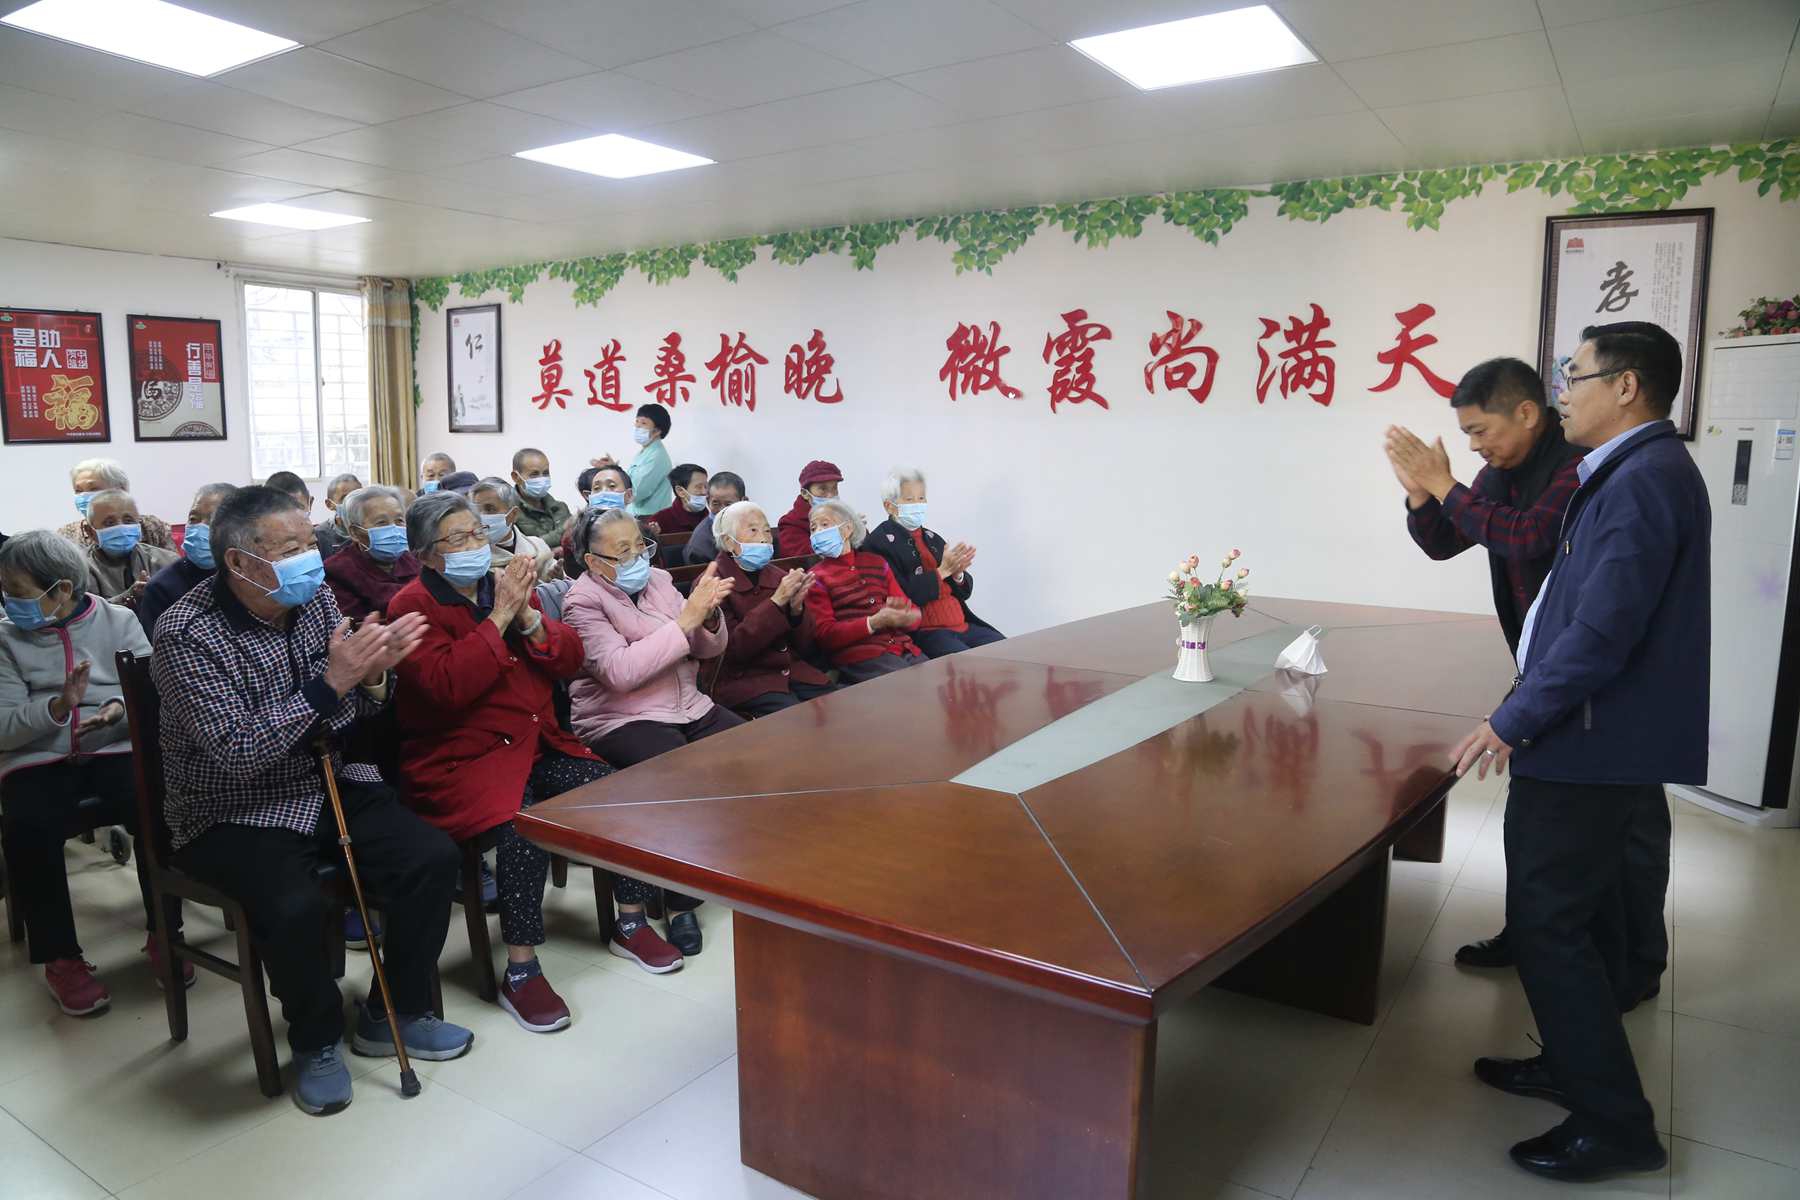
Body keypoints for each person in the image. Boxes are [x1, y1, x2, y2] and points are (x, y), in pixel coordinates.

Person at [1457, 322, 1705, 1182]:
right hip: (1594, 732)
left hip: (1589, 740)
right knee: (1582, 914)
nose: (1563, 390)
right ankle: (1571, 1065)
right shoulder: (1630, 470)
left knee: (1548, 924)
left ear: (1626, 386)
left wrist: (1514, 718)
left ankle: (1615, 1125)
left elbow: (1601, 633)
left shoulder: (1642, 480)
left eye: (1575, 375)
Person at [153, 486, 471, 1117]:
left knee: (431, 858)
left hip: (324, 773)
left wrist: (373, 675)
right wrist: (333, 684)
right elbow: (237, 751)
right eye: (291, 549)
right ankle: (316, 1040)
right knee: (293, 902)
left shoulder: (314, 597)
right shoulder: (186, 632)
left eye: (310, 543)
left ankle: (394, 1011)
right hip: (230, 805)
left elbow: (353, 711)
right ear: (240, 561)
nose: (311, 560)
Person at [387, 493, 677, 1025]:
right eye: (459, 538)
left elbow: (568, 660)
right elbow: (447, 687)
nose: (476, 545)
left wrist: (528, 619)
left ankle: (631, 921)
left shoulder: (502, 585)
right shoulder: (411, 605)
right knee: (523, 827)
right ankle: (521, 970)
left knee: (619, 790)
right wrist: (500, 616)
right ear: (426, 554)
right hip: (464, 762)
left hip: (537, 744)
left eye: (478, 533)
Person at [1387, 358, 1593, 976]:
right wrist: (1421, 493)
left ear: (1527, 413)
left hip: (1577, 668)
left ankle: (1601, 954)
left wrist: (1446, 485)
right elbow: (1445, 541)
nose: (1475, 445)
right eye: (1467, 434)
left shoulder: (1575, 466)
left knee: (1588, 828)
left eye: (1480, 430)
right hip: (1538, 662)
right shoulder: (1502, 471)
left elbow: (1528, 537)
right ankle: (1529, 934)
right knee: (1532, 820)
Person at [1, 532, 189, 1016]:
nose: (9, 601)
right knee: (28, 826)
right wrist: (58, 707)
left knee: (159, 809)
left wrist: (115, 710)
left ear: (62, 589)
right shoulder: (5, 638)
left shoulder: (118, 620)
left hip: (113, 746)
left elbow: (151, 691)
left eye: (18, 591)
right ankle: (61, 958)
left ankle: (165, 934)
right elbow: (4, 726)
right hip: (36, 757)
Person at [562, 506, 741, 956]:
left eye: (640, 545)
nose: (636, 557)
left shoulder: (659, 579)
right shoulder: (582, 603)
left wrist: (709, 617)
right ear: (593, 561)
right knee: (678, 776)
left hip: (686, 704)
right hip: (619, 717)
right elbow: (620, 673)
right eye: (621, 551)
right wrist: (686, 621)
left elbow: (707, 649)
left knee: (755, 750)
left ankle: (734, 862)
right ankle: (680, 904)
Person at [710, 500, 834, 717]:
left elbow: (806, 646)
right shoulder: (713, 584)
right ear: (729, 542)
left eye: (767, 531)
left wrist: (796, 612)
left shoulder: (777, 575)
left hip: (792, 671)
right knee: (798, 719)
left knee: (838, 705)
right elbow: (733, 651)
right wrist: (776, 602)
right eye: (753, 530)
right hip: (746, 680)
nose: (764, 538)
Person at [864, 467, 1004, 658]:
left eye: (921, 498)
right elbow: (899, 595)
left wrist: (958, 574)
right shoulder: (878, 543)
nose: (918, 504)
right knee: (971, 664)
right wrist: (942, 571)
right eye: (910, 499)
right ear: (889, 506)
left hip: (963, 624)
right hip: (927, 632)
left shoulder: (932, 538)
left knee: (1009, 652)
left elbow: (964, 592)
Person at [804, 500, 925, 682]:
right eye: (813, 529)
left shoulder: (876, 563)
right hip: (861, 657)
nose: (817, 532)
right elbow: (825, 635)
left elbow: (913, 614)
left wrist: (907, 616)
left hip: (904, 648)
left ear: (847, 529)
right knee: (912, 685)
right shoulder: (815, 577)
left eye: (824, 524)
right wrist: (872, 623)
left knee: (938, 680)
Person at [140, 483, 236, 640]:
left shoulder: (251, 577)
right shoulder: (162, 587)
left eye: (213, 521)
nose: (199, 527)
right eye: (193, 519)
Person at [324, 486, 421, 622]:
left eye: (399, 520)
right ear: (355, 533)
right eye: (381, 523)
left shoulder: (415, 560)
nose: (394, 529)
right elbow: (356, 625)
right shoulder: (337, 570)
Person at [79, 490, 179, 612]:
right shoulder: (79, 569)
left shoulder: (167, 561)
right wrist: (129, 597)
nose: (121, 528)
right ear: (90, 531)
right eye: (109, 523)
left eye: (128, 521)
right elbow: (86, 614)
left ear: (139, 525)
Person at [56, 459, 176, 552]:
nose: (84, 496)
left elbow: (173, 567)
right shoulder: (66, 535)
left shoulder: (151, 527)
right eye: (78, 491)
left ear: (120, 490)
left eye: (94, 489)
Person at [473, 477, 560, 582]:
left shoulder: (538, 547)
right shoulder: (474, 559)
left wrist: (559, 578)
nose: (481, 516)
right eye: (476, 510)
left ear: (513, 514)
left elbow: (562, 583)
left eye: (490, 509)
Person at [611, 404, 673, 518]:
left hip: (650, 518)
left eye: (643, 423)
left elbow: (636, 492)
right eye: (637, 421)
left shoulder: (656, 456)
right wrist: (614, 468)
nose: (637, 426)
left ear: (657, 431)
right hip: (637, 515)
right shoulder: (646, 451)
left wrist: (614, 476)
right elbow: (631, 480)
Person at [777, 460, 841, 558]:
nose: (830, 495)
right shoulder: (790, 523)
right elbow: (805, 559)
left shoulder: (842, 516)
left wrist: (857, 531)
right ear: (805, 494)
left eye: (834, 488)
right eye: (823, 489)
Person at [684, 471, 745, 567]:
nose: (721, 511)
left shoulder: (753, 525)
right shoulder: (700, 547)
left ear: (744, 501)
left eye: (728, 504)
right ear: (708, 501)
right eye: (715, 503)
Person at [510, 448, 570, 542]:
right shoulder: (510, 512)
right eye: (534, 474)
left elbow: (573, 541)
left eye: (546, 473)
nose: (542, 479)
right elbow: (525, 547)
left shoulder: (560, 508)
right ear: (516, 477)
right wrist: (563, 530)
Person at [648, 463, 709, 536]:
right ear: (680, 491)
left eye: (706, 486)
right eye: (699, 487)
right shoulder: (659, 520)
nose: (704, 492)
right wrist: (654, 536)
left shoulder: (712, 518)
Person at [317, 473, 362, 559]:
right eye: (345, 498)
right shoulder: (319, 535)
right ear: (329, 504)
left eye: (357, 497)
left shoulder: (370, 530)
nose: (352, 503)